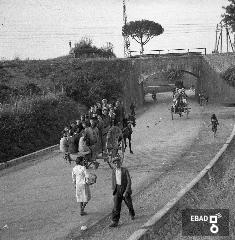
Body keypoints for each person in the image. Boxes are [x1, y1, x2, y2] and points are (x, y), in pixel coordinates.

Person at [109, 155, 135, 227]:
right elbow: (113, 180)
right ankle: (115, 221)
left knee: (129, 204)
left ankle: (132, 213)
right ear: (114, 164)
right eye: (115, 163)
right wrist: (114, 190)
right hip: (117, 190)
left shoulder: (125, 170)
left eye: (118, 163)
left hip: (124, 189)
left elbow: (129, 181)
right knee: (116, 206)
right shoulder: (113, 171)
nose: (116, 164)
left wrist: (126, 191)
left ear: (120, 163)